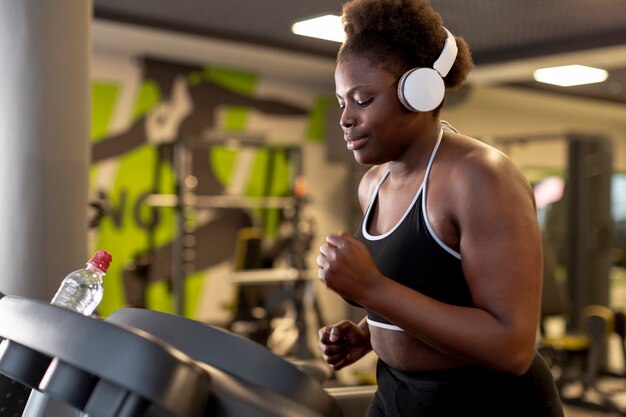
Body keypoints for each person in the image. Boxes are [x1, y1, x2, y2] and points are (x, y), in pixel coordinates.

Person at [316, 0, 564, 416]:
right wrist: (371, 331)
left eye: (363, 99)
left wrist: (371, 289)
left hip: (485, 403)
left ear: (420, 93)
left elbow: (512, 347)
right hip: (398, 392)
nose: (345, 117)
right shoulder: (372, 185)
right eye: (342, 101)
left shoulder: (480, 178)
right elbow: (428, 287)